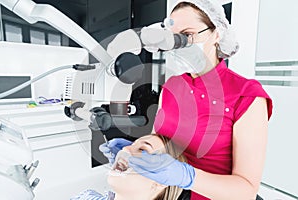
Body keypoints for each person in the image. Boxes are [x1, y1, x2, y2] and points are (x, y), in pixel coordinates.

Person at [100, 0, 273, 200]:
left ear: (216, 34)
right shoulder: (172, 86)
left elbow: (246, 191)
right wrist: (132, 151)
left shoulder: (246, 94)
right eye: (174, 38)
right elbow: (161, 141)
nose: (178, 45)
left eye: (187, 36)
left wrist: (188, 177)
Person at [71, 134, 187, 200]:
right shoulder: (86, 197)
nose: (125, 149)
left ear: (162, 180)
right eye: (132, 145)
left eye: (143, 149)